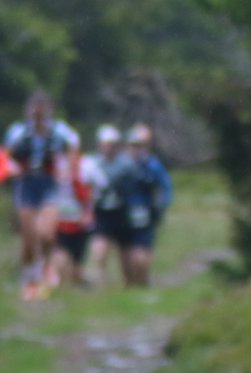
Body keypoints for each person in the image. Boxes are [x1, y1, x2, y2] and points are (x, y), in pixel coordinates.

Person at [3, 91, 81, 299]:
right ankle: (28, 279)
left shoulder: (58, 130)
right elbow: (5, 154)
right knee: (29, 238)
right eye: (34, 108)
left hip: (49, 184)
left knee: (45, 233)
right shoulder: (18, 131)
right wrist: (11, 167)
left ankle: (46, 265)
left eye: (42, 108)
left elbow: (74, 143)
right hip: (26, 184)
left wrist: (68, 168)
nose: (38, 113)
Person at [95, 123, 173, 287]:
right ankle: (130, 282)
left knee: (141, 251)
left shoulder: (152, 165)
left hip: (146, 211)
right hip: (126, 212)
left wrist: (162, 204)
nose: (136, 149)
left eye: (140, 145)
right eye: (133, 145)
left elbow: (165, 186)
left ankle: (142, 280)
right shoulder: (123, 164)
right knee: (126, 250)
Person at [49, 130, 109, 289]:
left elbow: (101, 186)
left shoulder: (61, 164)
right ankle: (64, 286)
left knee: (70, 255)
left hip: (71, 218)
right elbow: (102, 186)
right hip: (71, 218)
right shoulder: (84, 164)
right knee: (66, 253)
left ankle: (67, 286)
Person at [86, 125, 127, 286]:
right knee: (99, 248)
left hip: (121, 211)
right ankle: (99, 277)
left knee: (122, 251)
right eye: (105, 144)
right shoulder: (91, 163)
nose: (108, 148)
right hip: (100, 211)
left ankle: (124, 281)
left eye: (112, 144)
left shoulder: (125, 164)